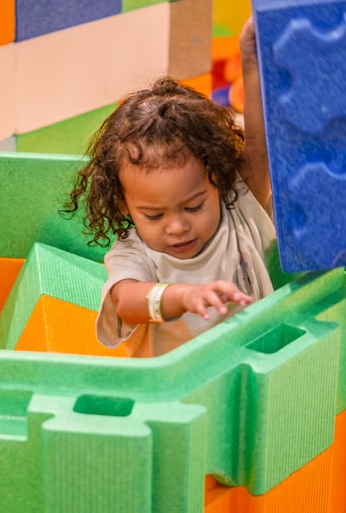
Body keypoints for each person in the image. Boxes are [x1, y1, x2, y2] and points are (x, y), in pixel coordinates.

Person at [64, 20, 275, 356]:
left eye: (193, 206)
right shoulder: (134, 252)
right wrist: (181, 296)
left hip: (249, 370)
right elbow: (126, 300)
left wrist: (252, 62)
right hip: (174, 385)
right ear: (124, 204)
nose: (177, 227)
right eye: (154, 215)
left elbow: (260, 149)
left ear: (218, 180)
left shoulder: (237, 210)